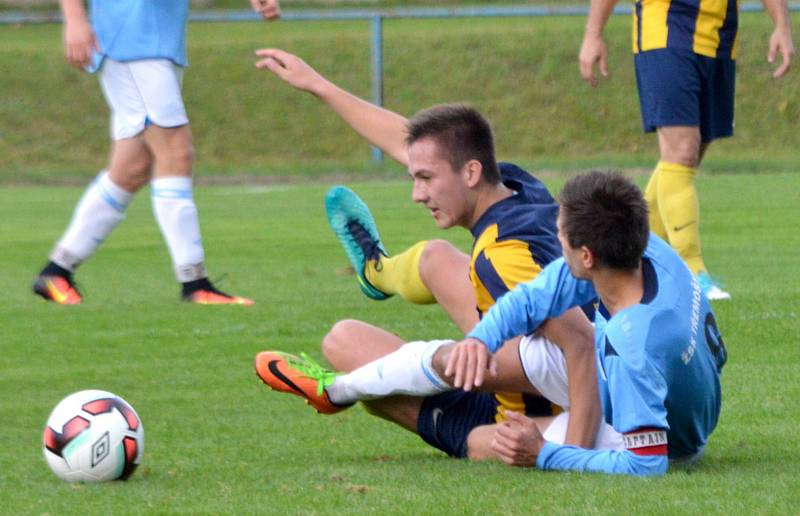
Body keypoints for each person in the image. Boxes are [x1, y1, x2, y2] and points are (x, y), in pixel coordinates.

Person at [252, 49, 615, 461]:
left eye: (425, 179)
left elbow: (582, 346)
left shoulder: (504, 255)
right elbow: (419, 145)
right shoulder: (517, 185)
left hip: (543, 415)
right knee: (429, 263)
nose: (416, 194)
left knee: (361, 368)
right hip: (549, 365)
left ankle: (445, 422)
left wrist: (575, 456)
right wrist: (320, 86)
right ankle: (378, 272)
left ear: (471, 172)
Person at [446, 170, 727, 476]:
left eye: (562, 235)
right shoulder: (645, 250)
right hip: (692, 400)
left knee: (479, 442)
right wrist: (480, 339)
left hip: (675, 445)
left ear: (587, 256)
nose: (557, 240)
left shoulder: (631, 345)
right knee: (452, 359)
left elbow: (646, 464)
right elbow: (533, 298)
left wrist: (544, 453)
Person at [32, 0, 281, 305]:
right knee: (176, 152)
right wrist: (75, 19)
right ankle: (195, 282)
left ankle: (55, 272)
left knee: (131, 169)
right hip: (131, 41)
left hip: (154, 43)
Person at [578, 0, 795, 301]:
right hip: (665, 32)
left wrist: (782, 26)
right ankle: (691, 272)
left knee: (681, 162)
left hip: (719, 38)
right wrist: (593, 34)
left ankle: (631, 262)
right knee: (682, 152)